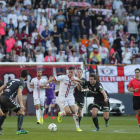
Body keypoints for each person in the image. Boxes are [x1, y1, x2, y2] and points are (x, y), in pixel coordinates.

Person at [40, 67, 82, 131]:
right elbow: (52, 79)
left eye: (71, 72)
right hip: (62, 97)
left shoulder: (76, 79)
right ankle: (60, 114)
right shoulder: (63, 77)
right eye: (69, 72)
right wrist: (44, 85)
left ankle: (78, 127)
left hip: (70, 97)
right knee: (67, 111)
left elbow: (80, 89)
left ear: (74, 72)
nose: (70, 73)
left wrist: (78, 83)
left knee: (74, 112)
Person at [0, 70, 29, 135]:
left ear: (20, 75)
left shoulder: (12, 80)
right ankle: (19, 129)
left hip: (1, 97)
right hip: (7, 98)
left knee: (5, 113)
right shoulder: (22, 82)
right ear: (27, 77)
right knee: (21, 112)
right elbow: (19, 92)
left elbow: (2, 87)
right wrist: (21, 103)